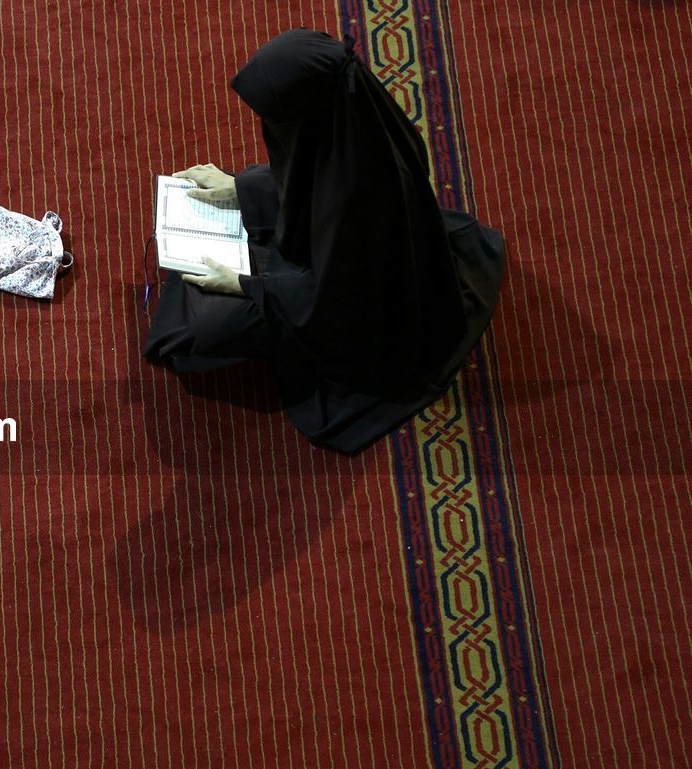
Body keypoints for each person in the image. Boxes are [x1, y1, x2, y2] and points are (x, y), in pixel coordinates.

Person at [142, 27, 505, 454]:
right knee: (212, 255)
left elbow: (340, 300)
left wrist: (244, 285)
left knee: (201, 329)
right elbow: (305, 180)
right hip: (331, 263)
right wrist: (242, 188)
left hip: (352, 312)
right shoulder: (354, 125)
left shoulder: (361, 198)